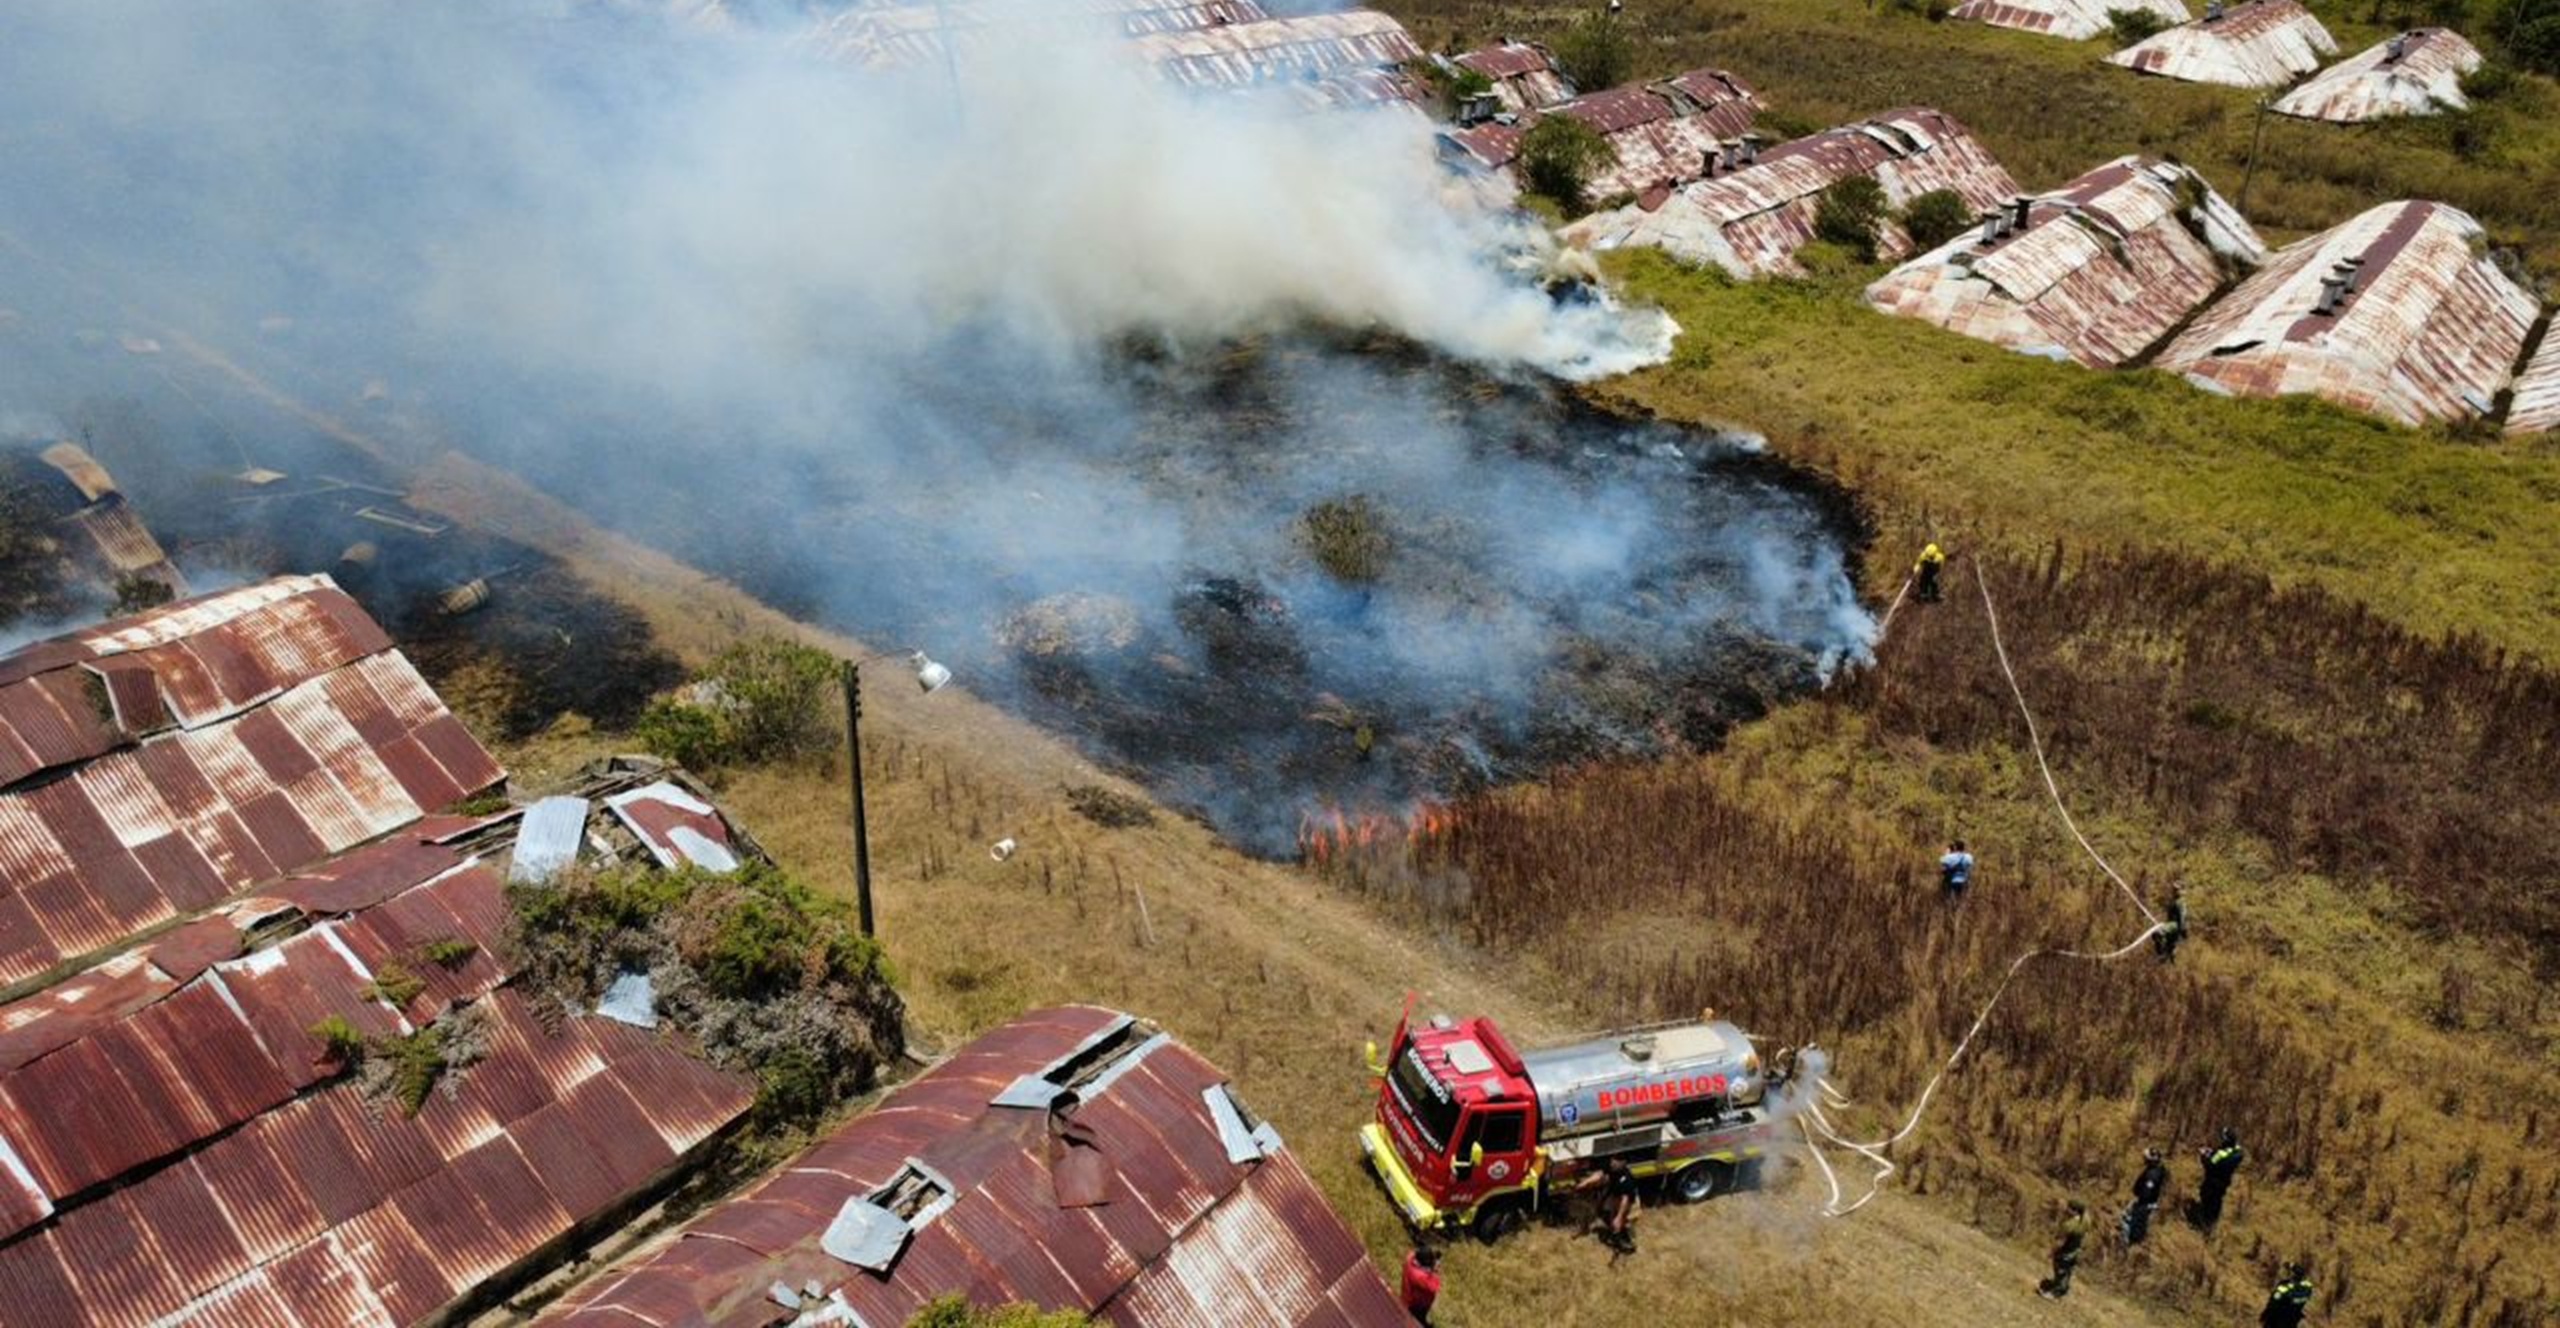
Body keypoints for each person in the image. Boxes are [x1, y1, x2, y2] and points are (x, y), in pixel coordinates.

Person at [2191, 1128, 2246, 1234]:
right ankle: (2213, 1221)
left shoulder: (2221, 1154)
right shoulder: (2237, 1151)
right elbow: (2224, 1154)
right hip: (2224, 1180)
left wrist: (2203, 1155)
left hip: (2213, 1180)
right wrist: (2212, 1152)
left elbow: (2209, 1165)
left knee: (2207, 1197)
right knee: (2217, 1200)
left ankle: (2204, 1224)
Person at [1582, 1156, 1641, 1255]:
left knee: (1626, 1223)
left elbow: (1625, 1200)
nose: (1613, 1162)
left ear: (1623, 1163)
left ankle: (1630, 1244)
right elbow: (1600, 1174)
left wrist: (1619, 1217)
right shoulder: (1611, 1167)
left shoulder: (1627, 1179)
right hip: (1616, 1198)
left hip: (1629, 1204)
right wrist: (1586, 1182)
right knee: (1611, 1218)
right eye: (1613, 1159)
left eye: (1617, 1160)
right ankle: (1616, 1237)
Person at [2037, 1200, 2089, 1299]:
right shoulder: (2086, 1220)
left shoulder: (2069, 1225)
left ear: (2074, 1211)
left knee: (2060, 1270)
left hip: (2065, 1251)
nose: (2066, 1209)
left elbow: (2060, 1241)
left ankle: (2057, 1292)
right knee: (2067, 1271)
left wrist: (2052, 1252)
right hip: (2075, 1250)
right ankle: (2059, 1286)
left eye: (2069, 1208)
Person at [2120, 1147, 2168, 1246]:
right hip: (2146, 1202)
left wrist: (2141, 1203)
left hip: (2145, 1204)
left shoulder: (2152, 1175)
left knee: (2132, 1222)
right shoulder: (2157, 1169)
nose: (2144, 1160)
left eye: (2146, 1158)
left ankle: (2128, 1244)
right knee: (2134, 1221)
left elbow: (2147, 1192)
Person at [2261, 1260, 2316, 1327]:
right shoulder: (2307, 1286)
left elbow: (2272, 1304)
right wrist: (2292, 1265)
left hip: (2281, 1318)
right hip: (2295, 1316)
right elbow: (2301, 1272)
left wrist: (2265, 1315)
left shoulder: (2284, 1289)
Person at [1401, 1245, 1442, 1324]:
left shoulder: (1410, 1260)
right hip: (1415, 1307)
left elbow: (1413, 1253)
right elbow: (1434, 1287)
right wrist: (1434, 1271)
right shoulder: (1419, 1277)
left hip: (1408, 1300)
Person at [2153, 884, 2189, 962]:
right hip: (2172, 926)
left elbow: (2182, 917)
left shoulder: (2180, 902)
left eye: (2177, 890)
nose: (2175, 891)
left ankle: (2163, 953)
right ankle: (2166, 954)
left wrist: (2182, 930)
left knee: (2159, 932)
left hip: (2175, 925)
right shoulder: (2174, 901)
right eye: (2174, 890)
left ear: (2181, 891)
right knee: (2167, 945)